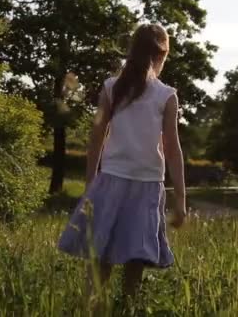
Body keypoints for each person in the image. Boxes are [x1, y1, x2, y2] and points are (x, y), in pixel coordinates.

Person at [57, 23, 187, 306]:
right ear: (161, 55)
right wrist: (181, 199)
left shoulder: (113, 87)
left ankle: (89, 309)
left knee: (100, 255)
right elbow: (173, 150)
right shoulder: (164, 95)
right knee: (135, 258)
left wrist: (91, 183)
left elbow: (95, 140)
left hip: (113, 182)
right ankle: (125, 308)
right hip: (146, 184)